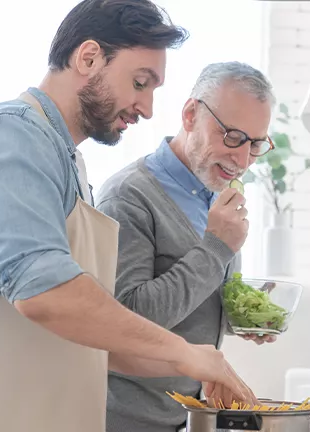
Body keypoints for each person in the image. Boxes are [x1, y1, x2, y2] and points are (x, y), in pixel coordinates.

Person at [0, 3, 257, 432]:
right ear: (88, 58)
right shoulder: (10, 133)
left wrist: (204, 366)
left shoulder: (69, 163)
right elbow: (45, 292)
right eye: (140, 83)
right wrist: (186, 353)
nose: (145, 107)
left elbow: (103, 341)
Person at [95, 61, 277, 432]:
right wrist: (215, 248)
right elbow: (125, 322)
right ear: (191, 114)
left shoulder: (216, 194)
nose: (242, 161)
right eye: (231, 136)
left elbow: (192, 302)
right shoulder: (128, 197)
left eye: (255, 144)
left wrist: (245, 317)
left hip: (183, 419)